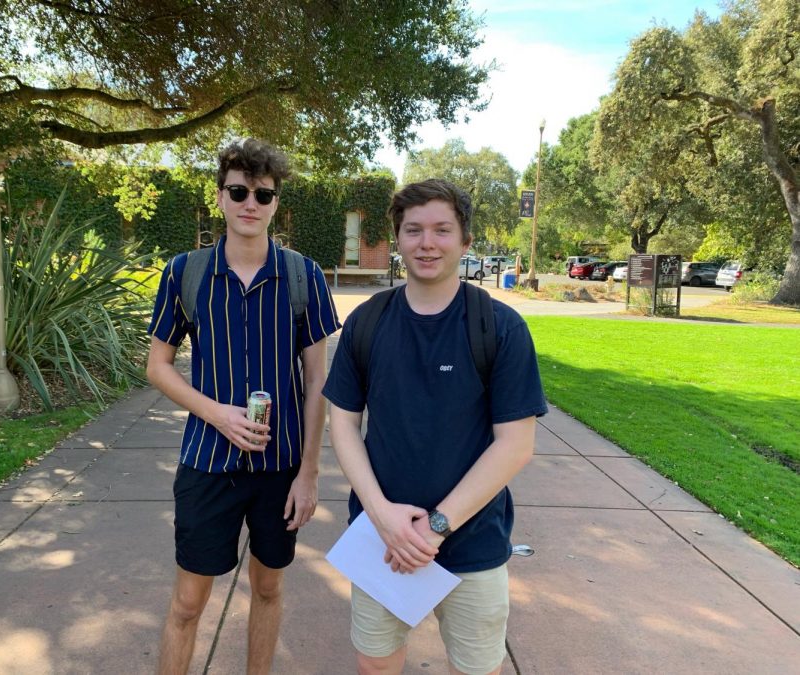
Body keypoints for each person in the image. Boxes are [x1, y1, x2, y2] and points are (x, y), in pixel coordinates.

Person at [323, 178, 547, 675]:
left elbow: (515, 446)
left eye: (443, 230)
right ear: (398, 239)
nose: (427, 243)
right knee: (375, 665)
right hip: (380, 543)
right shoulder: (368, 322)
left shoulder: (500, 328)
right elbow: (343, 427)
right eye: (414, 230)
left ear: (466, 241)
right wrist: (382, 518)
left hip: (473, 545)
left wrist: (435, 528)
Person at [146, 138, 340, 675]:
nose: (249, 203)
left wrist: (309, 473)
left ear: (276, 202)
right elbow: (157, 365)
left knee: (270, 589)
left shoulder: (304, 277)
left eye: (262, 193)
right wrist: (217, 412)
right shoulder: (185, 272)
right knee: (188, 604)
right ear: (220, 197)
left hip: (280, 470)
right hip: (208, 463)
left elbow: (317, 380)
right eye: (238, 191)